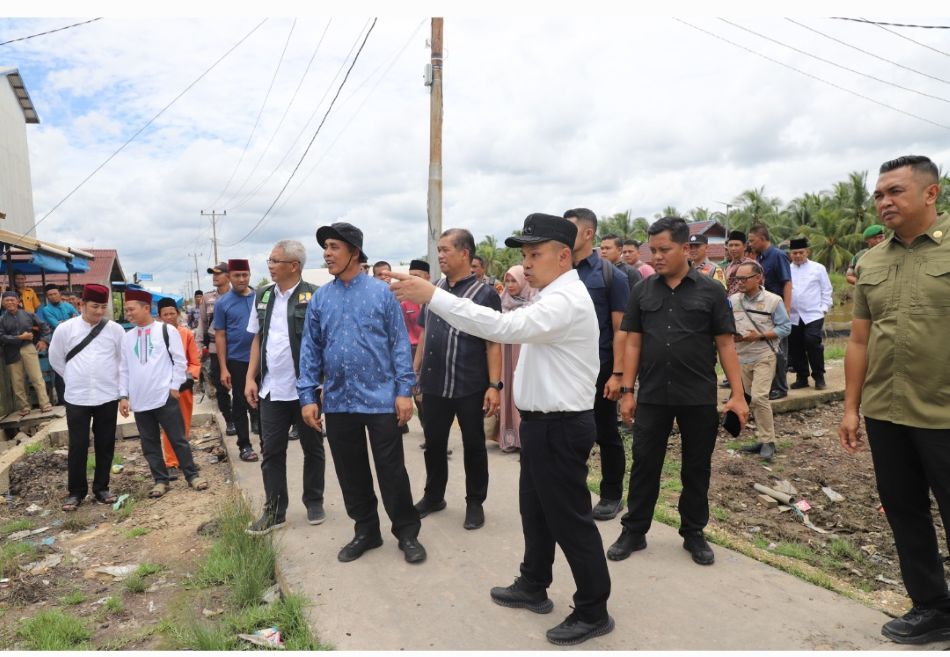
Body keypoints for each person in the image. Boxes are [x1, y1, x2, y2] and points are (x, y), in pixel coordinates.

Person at [389, 213, 613, 647]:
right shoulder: (551, 293)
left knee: (570, 521)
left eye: (535, 254)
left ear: (564, 256)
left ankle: (593, 609)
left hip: (561, 427)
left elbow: (503, 328)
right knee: (536, 513)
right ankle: (533, 584)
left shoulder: (565, 300)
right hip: (542, 425)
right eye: (524, 254)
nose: (526, 263)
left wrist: (433, 296)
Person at [839, 155, 950, 646]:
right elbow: (859, 341)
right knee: (904, 511)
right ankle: (930, 606)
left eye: (896, 192)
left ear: (931, 193)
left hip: (944, 412)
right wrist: (849, 408)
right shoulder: (871, 261)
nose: (885, 202)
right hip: (886, 411)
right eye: (880, 194)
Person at [609, 216, 748, 567]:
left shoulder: (711, 291)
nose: (656, 256)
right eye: (652, 250)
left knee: (696, 467)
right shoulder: (643, 291)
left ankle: (693, 532)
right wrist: (628, 390)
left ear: (685, 249)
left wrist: (738, 394)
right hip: (653, 395)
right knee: (644, 465)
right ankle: (635, 530)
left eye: (664, 249)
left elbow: (726, 345)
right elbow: (633, 343)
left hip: (697, 395)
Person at [298, 222, 425, 564]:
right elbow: (310, 349)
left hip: (381, 397)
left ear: (354, 251)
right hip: (338, 400)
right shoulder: (321, 298)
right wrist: (308, 396)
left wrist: (403, 391)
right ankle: (366, 531)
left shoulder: (381, 293)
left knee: (391, 469)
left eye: (334, 247)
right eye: (325, 247)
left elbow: (399, 343)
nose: (327, 253)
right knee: (351, 471)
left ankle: (407, 532)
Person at [413, 228, 501, 531]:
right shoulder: (433, 289)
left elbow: (493, 342)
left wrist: (494, 385)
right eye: (438, 250)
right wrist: (416, 369)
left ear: (465, 254)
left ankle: (475, 502)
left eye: (446, 250)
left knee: (474, 443)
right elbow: (425, 332)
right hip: (435, 382)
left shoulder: (485, 293)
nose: (440, 256)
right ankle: (433, 496)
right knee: (434, 442)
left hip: (470, 383)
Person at [244, 240, 326, 534]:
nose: (270, 266)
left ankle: (314, 500)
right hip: (271, 390)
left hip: (305, 391)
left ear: (294, 266)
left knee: (312, 448)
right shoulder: (262, 296)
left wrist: (323, 383)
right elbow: (257, 338)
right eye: (269, 260)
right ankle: (275, 510)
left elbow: (323, 343)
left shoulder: (315, 297)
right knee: (271, 451)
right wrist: (250, 378)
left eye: (275, 261)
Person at [564, 208, 630, 521]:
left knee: (605, 433)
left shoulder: (610, 276)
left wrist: (618, 374)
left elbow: (621, 331)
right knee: (570, 433)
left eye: (570, 229)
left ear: (588, 234)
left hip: (600, 369)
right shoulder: (559, 271)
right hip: (566, 368)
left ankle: (612, 495)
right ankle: (573, 490)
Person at [119, 289, 207, 497]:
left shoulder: (166, 331)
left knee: (178, 438)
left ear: (146, 308)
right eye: (126, 310)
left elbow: (180, 362)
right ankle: (160, 480)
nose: (128, 314)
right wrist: (123, 396)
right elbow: (123, 369)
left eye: (131, 309)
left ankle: (192, 475)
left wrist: (174, 386)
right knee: (149, 443)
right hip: (140, 400)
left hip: (165, 396)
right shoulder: (127, 337)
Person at [48, 284, 125, 511]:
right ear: (81, 304)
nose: (99, 311)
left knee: (105, 444)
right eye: (94, 306)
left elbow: (123, 362)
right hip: (77, 397)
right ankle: (76, 492)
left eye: (103, 307)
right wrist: (74, 377)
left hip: (107, 395)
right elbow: (55, 359)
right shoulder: (65, 329)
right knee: (78, 445)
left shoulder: (115, 330)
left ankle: (102, 489)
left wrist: (122, 393)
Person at [729, 262, 792, 459]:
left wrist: (758, 335)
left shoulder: (773, 300)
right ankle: (761, 438)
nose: (739, 283)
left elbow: (785, 328)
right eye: (737, 279)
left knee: (758, 397)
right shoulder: (732, 301)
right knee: (748, 399)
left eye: (744, 279)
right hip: (741, 358)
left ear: (758, 278)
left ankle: (768, 442)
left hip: (764, 355)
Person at [214, 258, 260, 462]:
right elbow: (220, 336)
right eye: (237, 275)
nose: (241, 279)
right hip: (238, 360)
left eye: (245, 275)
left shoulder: (261, 297)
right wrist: (223, 368)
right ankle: (245, 445)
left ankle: (267, 441)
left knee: (264, 400)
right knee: (240, 402)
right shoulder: (223, 303)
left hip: (262, 359)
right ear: (229, 277)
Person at [156, 298, 201, 481]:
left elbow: (194, 361)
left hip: (183, 387)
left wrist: (189, 377)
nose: (169, 317)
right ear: (159, 316)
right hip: (163, 388)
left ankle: (184, 460)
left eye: (172, 313)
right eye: (165, 314)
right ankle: (171, 462)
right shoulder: (155, 335)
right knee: (168, 426)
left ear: (178, 314)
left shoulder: (186, 334)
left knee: (184, 424)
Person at [749, 224, 792, 400]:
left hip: (777, 307)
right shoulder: (759, 258)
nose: (750, 244)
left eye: (752, 240)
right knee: (767, 348)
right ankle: (769, 385)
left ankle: (781, 387)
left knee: (779, 350)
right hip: (764, 309)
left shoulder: (778, 256)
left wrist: (787, 309)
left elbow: (787, 283)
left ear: (762, 238)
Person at [498, 264, 537, 452]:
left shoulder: (533, 303)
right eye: (508, 280)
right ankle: (508, 438)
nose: (511, 284)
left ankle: (523, 440)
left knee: (521, 390)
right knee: (506, 392)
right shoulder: (501, 301)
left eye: (515, 280)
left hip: (523, 356)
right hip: (505, 356)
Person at [788, 237, 833, 391]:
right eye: (794, 253)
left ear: (807, 252)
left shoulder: (818, 268)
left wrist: (824, 307)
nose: (798, 255)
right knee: (795, 346)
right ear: (790, 254)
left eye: (801, 252)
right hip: (793, 315)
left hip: (814, 314)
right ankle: (802, 377)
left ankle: (819, 376)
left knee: (812, 342)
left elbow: (826, 289)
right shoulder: (787, 269)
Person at [0, 291, 52, 415]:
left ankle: (45, 404)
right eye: (7, 300)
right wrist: (19, 338)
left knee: (36, 377)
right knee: (17, 381)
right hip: (11, 351)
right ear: (2, 303)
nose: (10, 302)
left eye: (13, 300)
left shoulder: (29, 314)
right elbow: (1, 337)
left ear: (18, 301)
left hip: (28, 348)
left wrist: (44, 340)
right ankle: (24, 407)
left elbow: (45, 327)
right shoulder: (1, 319)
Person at [198, 263, 234, 434]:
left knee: (241, 385)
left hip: (236, 347)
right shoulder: (208, 298)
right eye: (212, 274)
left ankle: (252, 419)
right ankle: (229, 420)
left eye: (218, 273)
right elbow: (203, 323)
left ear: (228, 275)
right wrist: (199, 346)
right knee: (221, 387)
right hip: (214, 348)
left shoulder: (240, 294)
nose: (214, 276)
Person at [38, 283, 79, 405]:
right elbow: (57, 325)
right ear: (47, 297)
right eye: (50, 295)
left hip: (73, 341)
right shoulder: (46, 310)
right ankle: (63, 400)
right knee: (59, 370)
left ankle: (76, 396)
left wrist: (65, 322)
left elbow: (78, 320)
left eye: (55, 293)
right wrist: (69, 320)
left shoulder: (68, 306)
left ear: (59, 294)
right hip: (58, 343)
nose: (53, 296)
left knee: (76, 367)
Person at [402, 259, 429, 434]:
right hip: (412, 351)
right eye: (410, 276)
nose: (412, 280)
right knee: (417, 394)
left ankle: (433, 432)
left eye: (417, 276)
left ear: (427, 277)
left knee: (432, 396)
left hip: (433, 351)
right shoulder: (404, 302)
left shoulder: (436, 300)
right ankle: (428, 429)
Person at [723, 231, 756, 297]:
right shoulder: (727, 267)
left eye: (737, 245)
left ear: (745, 247)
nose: (733, 248)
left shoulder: (752, 265)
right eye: (730, 245)